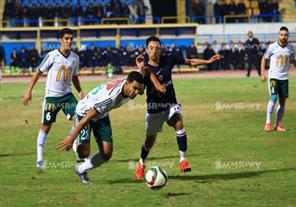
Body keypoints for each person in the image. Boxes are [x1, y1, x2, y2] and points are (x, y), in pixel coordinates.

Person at [135, 36, 220, 180]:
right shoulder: (145, 69)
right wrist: (141, 71)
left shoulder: (169, 59)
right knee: (149, 142)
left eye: (157, 47)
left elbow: (190, 61)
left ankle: (183, 160)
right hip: (154, 108)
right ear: (146, 50)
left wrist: (207, 61)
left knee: (179, 121)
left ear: (161, 49)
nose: (154, 50)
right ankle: (141, 163)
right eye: (151, 48)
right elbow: (141, 91)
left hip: (170, 104)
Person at [58, 71, 164, 184]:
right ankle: (75, 135)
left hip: (102, 114)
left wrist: (142, 75)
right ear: (127, 83)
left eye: (139, 89)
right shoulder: (111, 97)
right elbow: (88, 117)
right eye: (135, 88)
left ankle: (81, 170)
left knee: (107, 154)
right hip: (85, 112)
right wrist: (71, 139)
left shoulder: (132, 85)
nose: (136, 92)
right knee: (83, 153)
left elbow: (141, 85)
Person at [23, 28, 84, 168]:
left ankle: (74, 145)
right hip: (52, 98)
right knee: (46, 126)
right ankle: (39, 157)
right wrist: (28, 91)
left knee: (82, 117)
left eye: (71, 39)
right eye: (66, 38)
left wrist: (80, 91)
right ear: (61, 40)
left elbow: (75, 77)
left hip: (67, 96)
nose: (69, 41)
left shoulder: (75, 58)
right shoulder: (51, 56)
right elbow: (38, 72)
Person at [261, 26, 296, 132]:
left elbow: (295, 63)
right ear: (279, 35)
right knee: (274, 98)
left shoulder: (291, 48)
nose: (283, 37)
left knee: (282, 102)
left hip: (284, 78)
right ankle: (268, 123)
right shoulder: (272, 47)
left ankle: (278, 125)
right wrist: (263, 74)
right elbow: (264, 59)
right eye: (281, 34)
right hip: (273, 77)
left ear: (288, 36)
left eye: (285, 35)